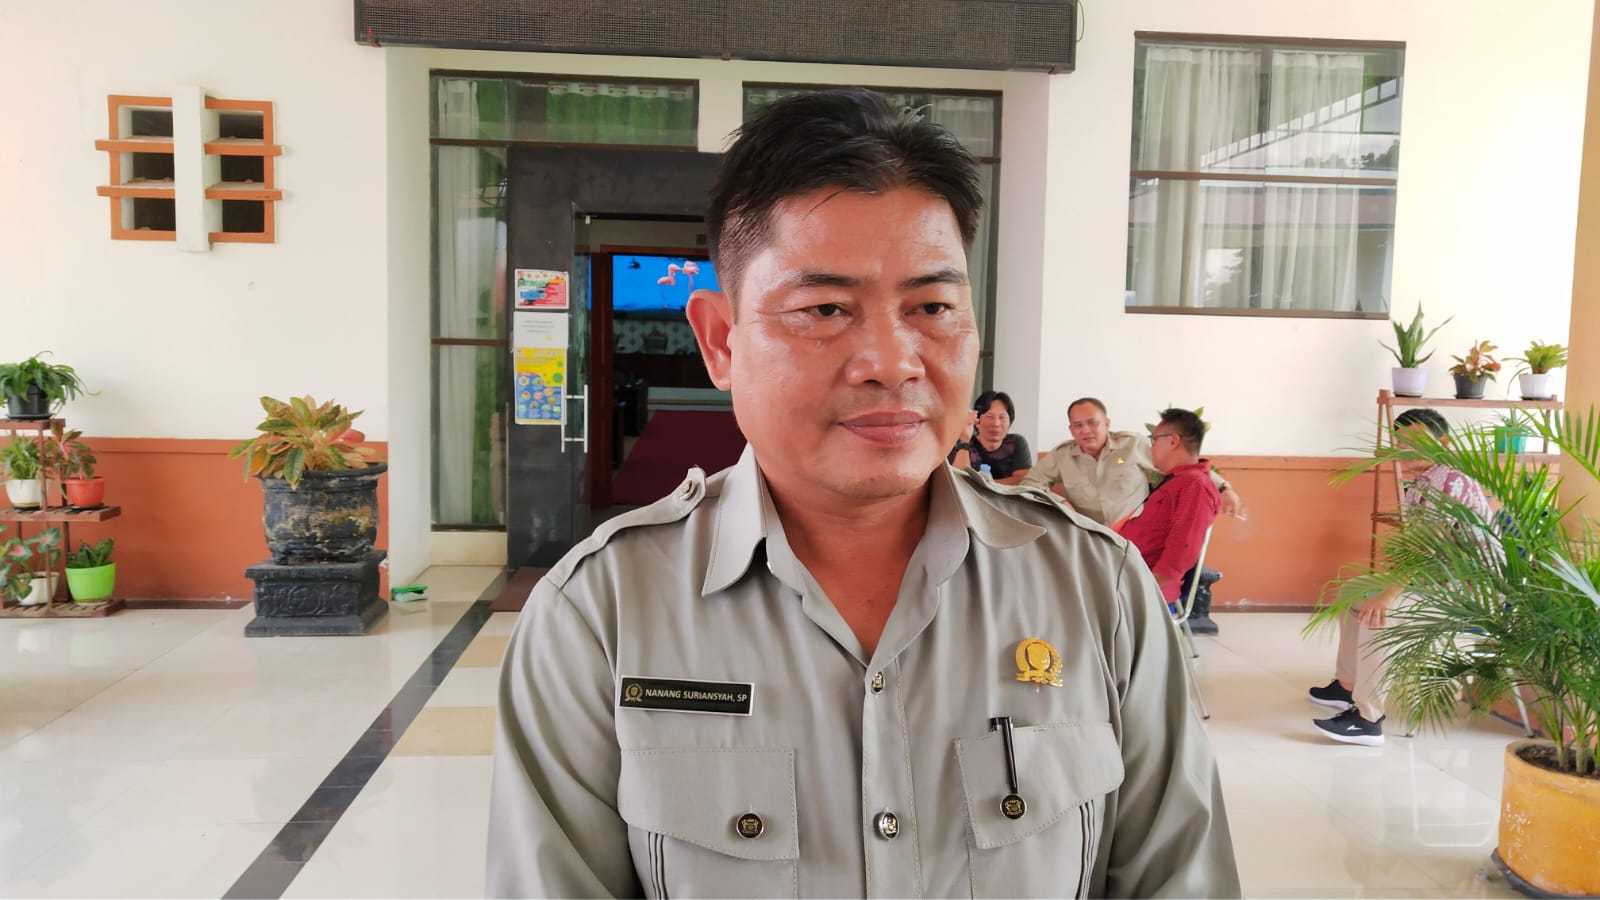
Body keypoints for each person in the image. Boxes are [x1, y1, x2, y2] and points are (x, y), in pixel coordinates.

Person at [488, 89, 1239, 898]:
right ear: (720, 341)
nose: (893, 360)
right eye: (824, 308)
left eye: (933, 306)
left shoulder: (1099, 590)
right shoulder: (597, 617)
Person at [1309, 408, 1492, 746]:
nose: (1406, 448)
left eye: (1416, 440)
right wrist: (1383, 587)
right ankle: (1346, 686)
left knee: (1382, 611)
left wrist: (1388, 595)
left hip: (1467, 593)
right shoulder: (1423, 481)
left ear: (1443, 442)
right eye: (1400, 441)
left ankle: (1368, 719)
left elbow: (1426, 545)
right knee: (1353, 591)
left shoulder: (1449, 480)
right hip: (1440, 583)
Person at [1022, 397, 1243, 634]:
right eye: (1078, 425)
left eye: (1092, 422)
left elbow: (1179, 551)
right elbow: (1029, 485)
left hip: (1129, 563)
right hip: (1097, 549)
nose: (1085, 430)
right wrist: (1060, 501)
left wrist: (1224, 488)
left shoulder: (1137, 448)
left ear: (1107, 423)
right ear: (1071, 429)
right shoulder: (1062, 455)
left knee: (1060, 593)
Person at [1114, 409, 1222, 608]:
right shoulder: (1177, 480)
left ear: (1173, 441)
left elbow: (1182, 551)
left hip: (1141, 590)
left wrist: (1141, 588)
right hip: (1124, 575)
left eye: (1155, 440)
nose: (1151, 448)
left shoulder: (1194, 485)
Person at [948, 389, 1032, 480]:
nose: (996, 423)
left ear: (1010, 421)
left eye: (1002, 417)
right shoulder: (962, 444)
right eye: (989, 416)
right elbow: (959, 481)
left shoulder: (1015, 443)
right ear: (977, 421)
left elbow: (1022, 480)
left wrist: (985, 485)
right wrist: (964, 439)